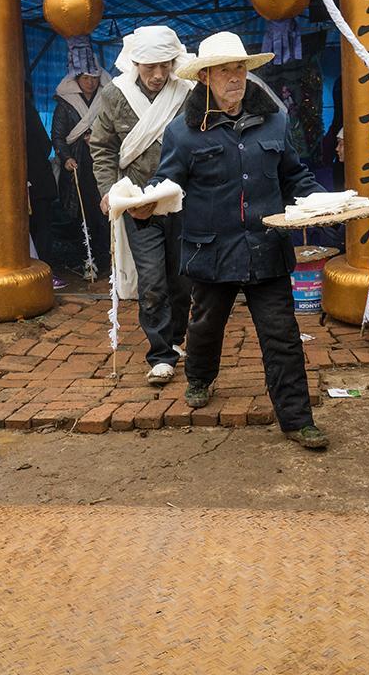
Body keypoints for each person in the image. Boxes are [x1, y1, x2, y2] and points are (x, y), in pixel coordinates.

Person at [132, 31, 330, 449]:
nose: (235, 77)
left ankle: (297, 420)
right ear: (205, 77)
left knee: (282, 336)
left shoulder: (274, 120)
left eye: (240, 68)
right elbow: (166, 182)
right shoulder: (183, 133)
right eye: (225, 70)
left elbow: (293, 175)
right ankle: (201, 377)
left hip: (266, 249)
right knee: (205, 326)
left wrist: (325, 203)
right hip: (211, 251)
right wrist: (144, 203)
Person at [89, 26, 193, 385]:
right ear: (135, 62)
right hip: (138, 203)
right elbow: (101, 148)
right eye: (150, 66)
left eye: (165, 65)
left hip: (182, 201)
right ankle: (160, 354)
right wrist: (110, 191)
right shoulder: (115, 95)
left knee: (182, 281)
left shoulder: (188, 92)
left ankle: (176, 339)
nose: (159, 75)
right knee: (152, 282)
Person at [52, 36, 112, 276]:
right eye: (86, 78)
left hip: (101, 163)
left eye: (94, 78)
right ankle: (84, 260)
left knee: (103, 213)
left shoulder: (106, 100)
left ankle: (105, 259)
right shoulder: (65, 104)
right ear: (77, 79)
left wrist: (97, 139)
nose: (90, 82)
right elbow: (57, 136)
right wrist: (65, 157)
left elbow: (113, 129)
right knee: (80, 214)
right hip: (76, 167)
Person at [24, 82, 64, 289]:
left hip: (34, 182)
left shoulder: (18, 110)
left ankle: (41, 271)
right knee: (41, 228)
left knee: (37, 228)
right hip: (36, 180)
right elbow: (45, 143)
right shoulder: (26, 110)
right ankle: (44, 271)